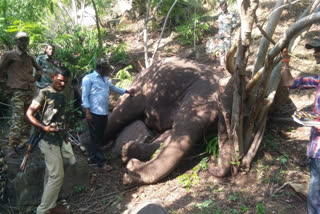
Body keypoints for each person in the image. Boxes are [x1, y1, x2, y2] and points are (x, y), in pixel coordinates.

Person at [281, 38, 320, 214]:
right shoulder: (318, 80)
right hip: (316, 150)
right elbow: (289, 83)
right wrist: (285, 62)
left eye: (318, 50)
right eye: (315, 50)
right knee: (315, 198)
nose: (315, 54)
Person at [26, 67, 70, 214]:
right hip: (46, 139)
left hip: (58, 138)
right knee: (57, 175)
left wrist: (65, 134)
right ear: (53, 77)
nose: (63, 84)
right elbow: (29, 114)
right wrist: (43, 127)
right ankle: (43, 210)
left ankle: (50, 205)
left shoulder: (62, 95)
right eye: (60, 80)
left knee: (51, 173)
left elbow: (62, 117)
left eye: (65, 82)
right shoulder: (44, 92)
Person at [81, 57, 134, 170]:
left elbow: (113, 88)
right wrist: (88, 112)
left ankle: (93, 158)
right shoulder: (88, 79)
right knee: (96, 137)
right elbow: (84, 96)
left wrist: (126, 91)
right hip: (94, 113)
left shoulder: (105, 79)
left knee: (98, 137)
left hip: (103, 112)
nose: (108, 71)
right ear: (101, 68)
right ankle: (101, 162)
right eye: (106, 69)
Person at [0, 32, 43, 157]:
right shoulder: (9, 55)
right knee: (17, 118)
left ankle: (23, 144)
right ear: (16, 42)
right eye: (21, 40)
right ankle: (11, 147)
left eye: (26, 40)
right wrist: (5, 88)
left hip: (30, 90)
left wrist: (36, 77)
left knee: (28, 117)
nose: (24, 42)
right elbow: (0, 72)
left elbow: (39, 69)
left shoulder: (29, 57)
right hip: (17, 91)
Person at [217, 1, 237, 70]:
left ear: (227, 6)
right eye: (222, 7)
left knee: (228, 52)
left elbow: (234, 25)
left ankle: (229, 66)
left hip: (227, 36)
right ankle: (222, 66)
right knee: (221, 51)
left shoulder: (232, 14)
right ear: (220, 8)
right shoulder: (219, 16)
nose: (223, 8)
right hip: (220, 37)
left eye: (224, 6)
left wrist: (228, 30)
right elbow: (219, 26)